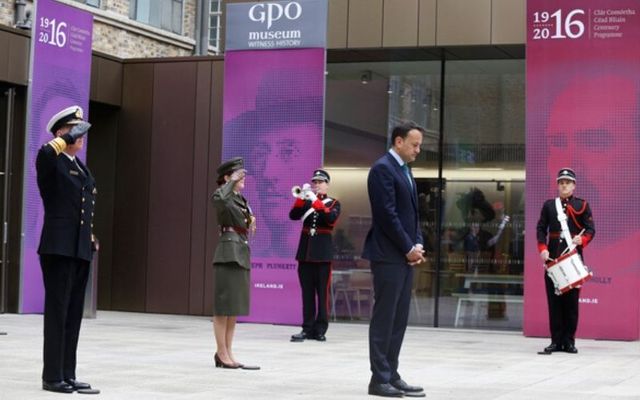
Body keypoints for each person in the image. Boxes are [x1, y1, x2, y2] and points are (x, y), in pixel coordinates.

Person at [36, 106, 99, 394]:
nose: (81, 135)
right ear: (62, 133)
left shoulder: (81, 167)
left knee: (73, 314)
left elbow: (82, 208)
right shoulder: (52, 161)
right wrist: (63, 139)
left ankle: (68, 373)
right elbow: (46, 154)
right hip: (59, 248)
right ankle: (52, 376)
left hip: (79, 248)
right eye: (75, 130)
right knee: (58, 312)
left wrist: (90, 236)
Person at [363, 122, 427, 398]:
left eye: (420, 145)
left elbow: (412, 214)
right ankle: (378, 379)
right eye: (414, 144)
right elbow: (387, 215)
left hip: (404, 255)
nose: (418, 150)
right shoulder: (382, 169)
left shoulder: (405, 170)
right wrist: (406, 247)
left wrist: (419, 242)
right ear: (398, 142)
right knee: (385, 317)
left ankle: (392, 373)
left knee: (399, 318)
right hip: (388, 255)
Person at [537, 168, 595, 354]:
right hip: (553, 259)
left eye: (568, 182)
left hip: (572, 260)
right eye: (561, 182)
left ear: (574, 185)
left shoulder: (582, 205)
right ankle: (555, 341)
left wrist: (582, 240)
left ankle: (569, 341)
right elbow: (540, 229)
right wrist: (543, 249)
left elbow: (590, 229)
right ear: (557, 185)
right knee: (554, 303)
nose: (564, 185)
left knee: (571, 304)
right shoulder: (548, 205)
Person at [211, 157, 260, 370]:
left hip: (240, 251)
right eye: (239, 175)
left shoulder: (240, 199)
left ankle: (228, 351)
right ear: (227, 177)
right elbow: (220, 198)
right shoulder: (223, 194)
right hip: (228, 253)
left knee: (233, 308)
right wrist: (230, 182)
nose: (243, 178)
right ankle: (221, 353)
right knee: (223, 307)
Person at [289, 169, 341, 342]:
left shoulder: (333, 203)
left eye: (320, 182)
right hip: (305, 254)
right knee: (307, 293)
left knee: (322, 294)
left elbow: (330, 219)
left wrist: (316, 202)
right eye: (315, 182)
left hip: (323, 255)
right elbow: (293, 216)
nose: (316, 185)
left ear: (327, 184)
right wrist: (301, 198)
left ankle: (320, 329)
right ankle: (307, 328)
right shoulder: (306, 201)